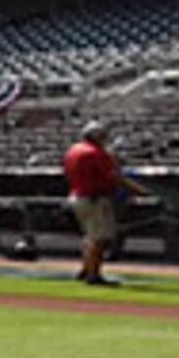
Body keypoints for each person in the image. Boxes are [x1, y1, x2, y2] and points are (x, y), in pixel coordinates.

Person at [61, 122, 140, 287]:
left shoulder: (73, 150)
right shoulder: (96, 153)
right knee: (99, 238)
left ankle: (85, 269)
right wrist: (138, 189)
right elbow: (114, 176)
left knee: (90, 236)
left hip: (77, 195)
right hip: (94, 198)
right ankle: (93, 275)